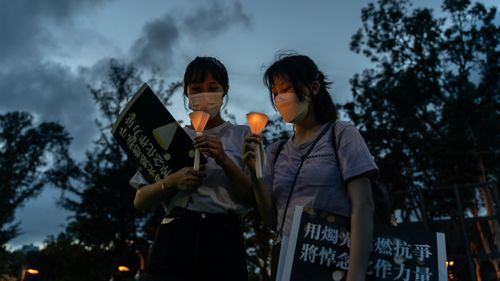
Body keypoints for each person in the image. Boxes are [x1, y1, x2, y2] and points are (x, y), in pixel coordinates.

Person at [243, 54, 378, 281]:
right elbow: (271, 220)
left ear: (313, 88)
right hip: (287, 264)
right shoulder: (276, 151)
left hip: (332, 261)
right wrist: (256, 174)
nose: (280, 98)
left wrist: (356, 274)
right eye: (275, 93)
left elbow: (363, 206)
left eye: (286, 88)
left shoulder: (341, 135)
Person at [130, 56, 252, 281]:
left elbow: (253, 198)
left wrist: (224, 159)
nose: (204, 95)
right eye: (196, 89)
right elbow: (140, 200)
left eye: (212, 88)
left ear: (224, 90)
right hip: (174, 236)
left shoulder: (242, 135)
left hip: (224, 239)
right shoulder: (171, 136)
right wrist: (171, 182)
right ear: (186, 92)